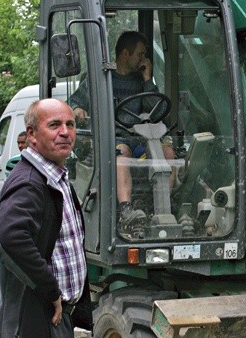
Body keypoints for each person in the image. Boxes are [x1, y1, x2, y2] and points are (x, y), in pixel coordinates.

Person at [0, 98, 92, 338]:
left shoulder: (52, 175)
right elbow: (10, 235)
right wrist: (51, 291)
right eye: (54, 126)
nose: (65, 133)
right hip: (38, 321)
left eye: (70, 125)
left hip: (43, 320)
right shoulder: (31, 181)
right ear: (31, 135)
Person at [69, 31, 174, 232]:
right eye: (140, 54)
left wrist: (148, 79)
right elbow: (74, 101)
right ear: (125, 53)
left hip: (140, 139)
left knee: (167, 153)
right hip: (112, 139)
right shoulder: (100, 79)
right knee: (122, 153)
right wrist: (77, 110)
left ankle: (163, 209)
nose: (144, 59)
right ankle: (126, 210)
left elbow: (158, 111)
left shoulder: (140, 80)